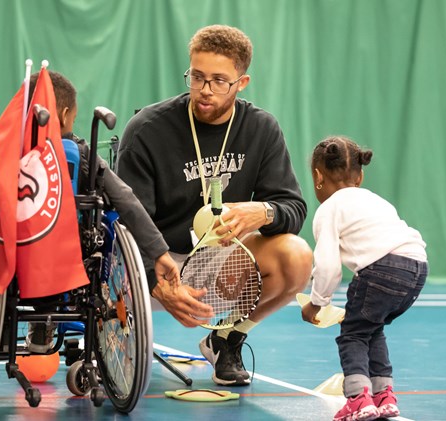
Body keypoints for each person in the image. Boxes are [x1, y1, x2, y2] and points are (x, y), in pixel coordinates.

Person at [116, 24, 313, 386]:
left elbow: (293, 208)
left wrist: (264, 212)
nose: (205, 91)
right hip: (153, 265)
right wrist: (157, 282)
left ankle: (225, 339)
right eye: (197, 77)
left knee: (297, 256)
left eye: (219, 81)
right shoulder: (146, 130)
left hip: (218, 261)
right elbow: (126, 224)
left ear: (242, 82)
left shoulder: (262, 129)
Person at [0, 70, 181, 352]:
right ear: (63, 115)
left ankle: (3, 327)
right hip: (70, 262)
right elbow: (125, 198)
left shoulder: (3, 149)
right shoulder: (81, 151)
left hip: (11, 256)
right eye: (74, 116)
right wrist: (159, 252)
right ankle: (47, 320)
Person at [301, 135, 428, 421]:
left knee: (353, 333)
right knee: (372, 327)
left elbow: (329, 266)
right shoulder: (376, 200)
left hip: (382, 269)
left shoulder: (329, 209)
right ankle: (384, 396)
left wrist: (316, 303)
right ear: (360, 176)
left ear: (318, 176)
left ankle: (359, 400)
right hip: (416, 267)